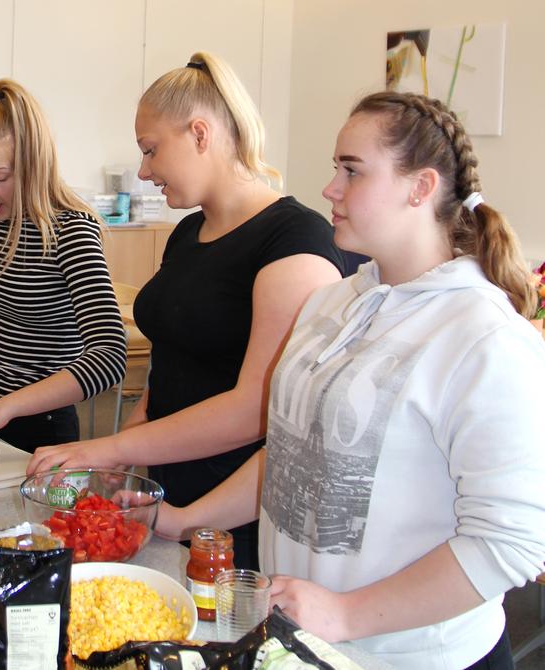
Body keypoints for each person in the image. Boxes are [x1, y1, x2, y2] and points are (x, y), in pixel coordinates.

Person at [154, 91, 545, 669]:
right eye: (336, 168)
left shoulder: (485, 338)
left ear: (421, 187)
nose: (330, 188)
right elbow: (294, 452)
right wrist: (188, 520)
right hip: (305, 644)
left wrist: (345, 613)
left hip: (413, 657)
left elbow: (509, 544)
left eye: (351, 171)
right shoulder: (332, 303)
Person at [26, 52, 345, 567]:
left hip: (230, 516)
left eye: (151, 150)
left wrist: (100, 450)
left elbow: (255, 408)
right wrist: (124, 461)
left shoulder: (295, 241)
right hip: (162, 496)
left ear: (200, 134)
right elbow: (167, 370)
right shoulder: (187, 233)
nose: (144, 170)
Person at [0, 79, 126, 452]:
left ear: (34, 163)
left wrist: (3, 410)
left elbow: (109, 355)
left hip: (41, 426)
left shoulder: (70, 230)